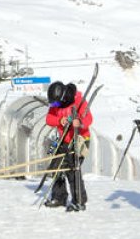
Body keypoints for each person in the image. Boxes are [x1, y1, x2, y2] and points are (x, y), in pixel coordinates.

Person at [42, 81, 93, 211]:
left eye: (57, 103)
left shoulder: (78, 101)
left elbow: (89, 119)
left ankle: (79, 201)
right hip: (63, 139)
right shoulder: (56, 104)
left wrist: (79, 122)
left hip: (81, 139)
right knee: (56, 167)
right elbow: (48, 119)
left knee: (72, 168)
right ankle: (59, 197)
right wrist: (59, 120)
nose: (55, 106)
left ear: (64, 97)